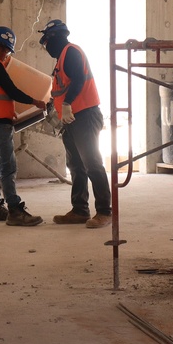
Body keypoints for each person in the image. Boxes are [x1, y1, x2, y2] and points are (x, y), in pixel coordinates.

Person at [38, 19, 112, 229]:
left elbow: (79, 79)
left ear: (54, 38)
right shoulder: (61, 59)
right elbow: (62, 88)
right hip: (71, 118)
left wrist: (68, 104)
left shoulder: (71, 52)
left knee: (92, 163)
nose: (46, 48)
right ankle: (80, 210)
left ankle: (105, 212)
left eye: (46, 43)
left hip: (85, 116)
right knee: (76, 165)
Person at [0, 26, 47, 226]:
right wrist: (36, 101)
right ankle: (14, 210)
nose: (7, 54)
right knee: (8, 167)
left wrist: (6, 110)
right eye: (6, 50)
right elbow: (12, 90)